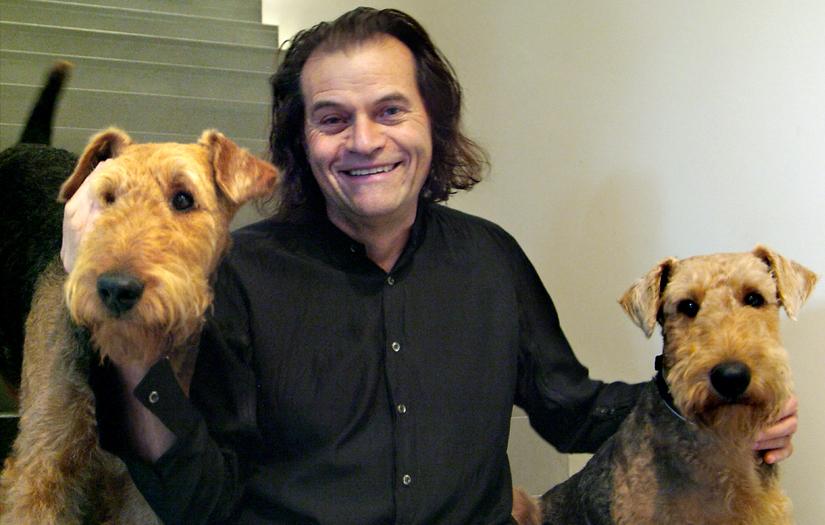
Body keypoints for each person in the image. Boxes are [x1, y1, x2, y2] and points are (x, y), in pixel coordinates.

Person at [62, 7, 798, 525]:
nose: (362, 140)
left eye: (389, 110)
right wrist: (130, 355)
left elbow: (572, 407)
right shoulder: (242, 273)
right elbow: (204, 498)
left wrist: (722, 398)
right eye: (331, 118)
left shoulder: (491, 258)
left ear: (430, 122)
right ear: (300, 141)